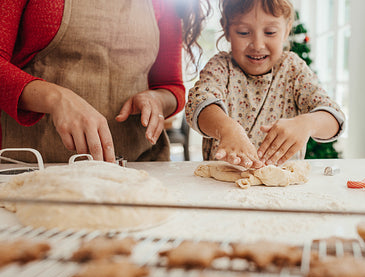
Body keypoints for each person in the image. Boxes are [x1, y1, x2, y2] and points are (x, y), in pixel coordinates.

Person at [0, 0, 210, 163]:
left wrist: (156, 99)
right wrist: (55, 98)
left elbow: (171, 86)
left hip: (136, 167)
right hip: (35, 168)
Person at [185, 0, 345, 169]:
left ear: (286, 31)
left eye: (270, 32)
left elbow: (334, 117)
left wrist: (307, 124)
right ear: (226, 29)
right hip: (223, 186)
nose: (258, 45)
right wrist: (225, 128)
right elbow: (197, 104)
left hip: (284, 187)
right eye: (243, 32)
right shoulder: (221, 67)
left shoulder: (292, 69)